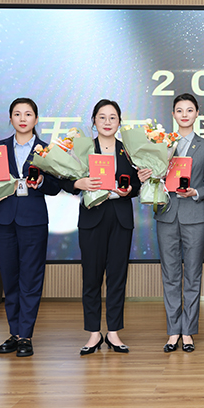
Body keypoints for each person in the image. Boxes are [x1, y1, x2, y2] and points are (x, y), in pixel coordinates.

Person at [0, 97, 62, 357]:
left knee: (31, 279)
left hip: (33, 220)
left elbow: (56, 187)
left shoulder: (47, 150)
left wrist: (41, 181)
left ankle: (25, 336)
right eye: (18, 114)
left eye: (28, 114)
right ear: (10, 118)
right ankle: (14, 332)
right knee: (10, 278)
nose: (23, 118)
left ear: (36, 119)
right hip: (3, 220)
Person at [63, 99, 142, 356]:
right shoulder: (83, 148)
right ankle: (93, 333)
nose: (107, 122)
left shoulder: (129, 150)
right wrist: (79, 184)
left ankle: (114, 332)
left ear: (119, 122)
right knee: (91, 277)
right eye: (102, 117)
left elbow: (136, 185)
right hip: (92, 218)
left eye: (112, 117)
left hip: (120, 218)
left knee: (117, 277)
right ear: (94, 121)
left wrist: (131, 189)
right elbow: (64, 179)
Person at [155, 93, 204, 353]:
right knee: (170, 275)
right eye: (179, 110)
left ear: (197, 113)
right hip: (167, 215)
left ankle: (188, 331)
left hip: (195, 216)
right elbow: (153, 177)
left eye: (189, 110)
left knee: (192, 275)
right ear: (173, 114)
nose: (184, 114)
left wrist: (196, 192)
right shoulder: (161, 144)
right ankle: (173, 331)